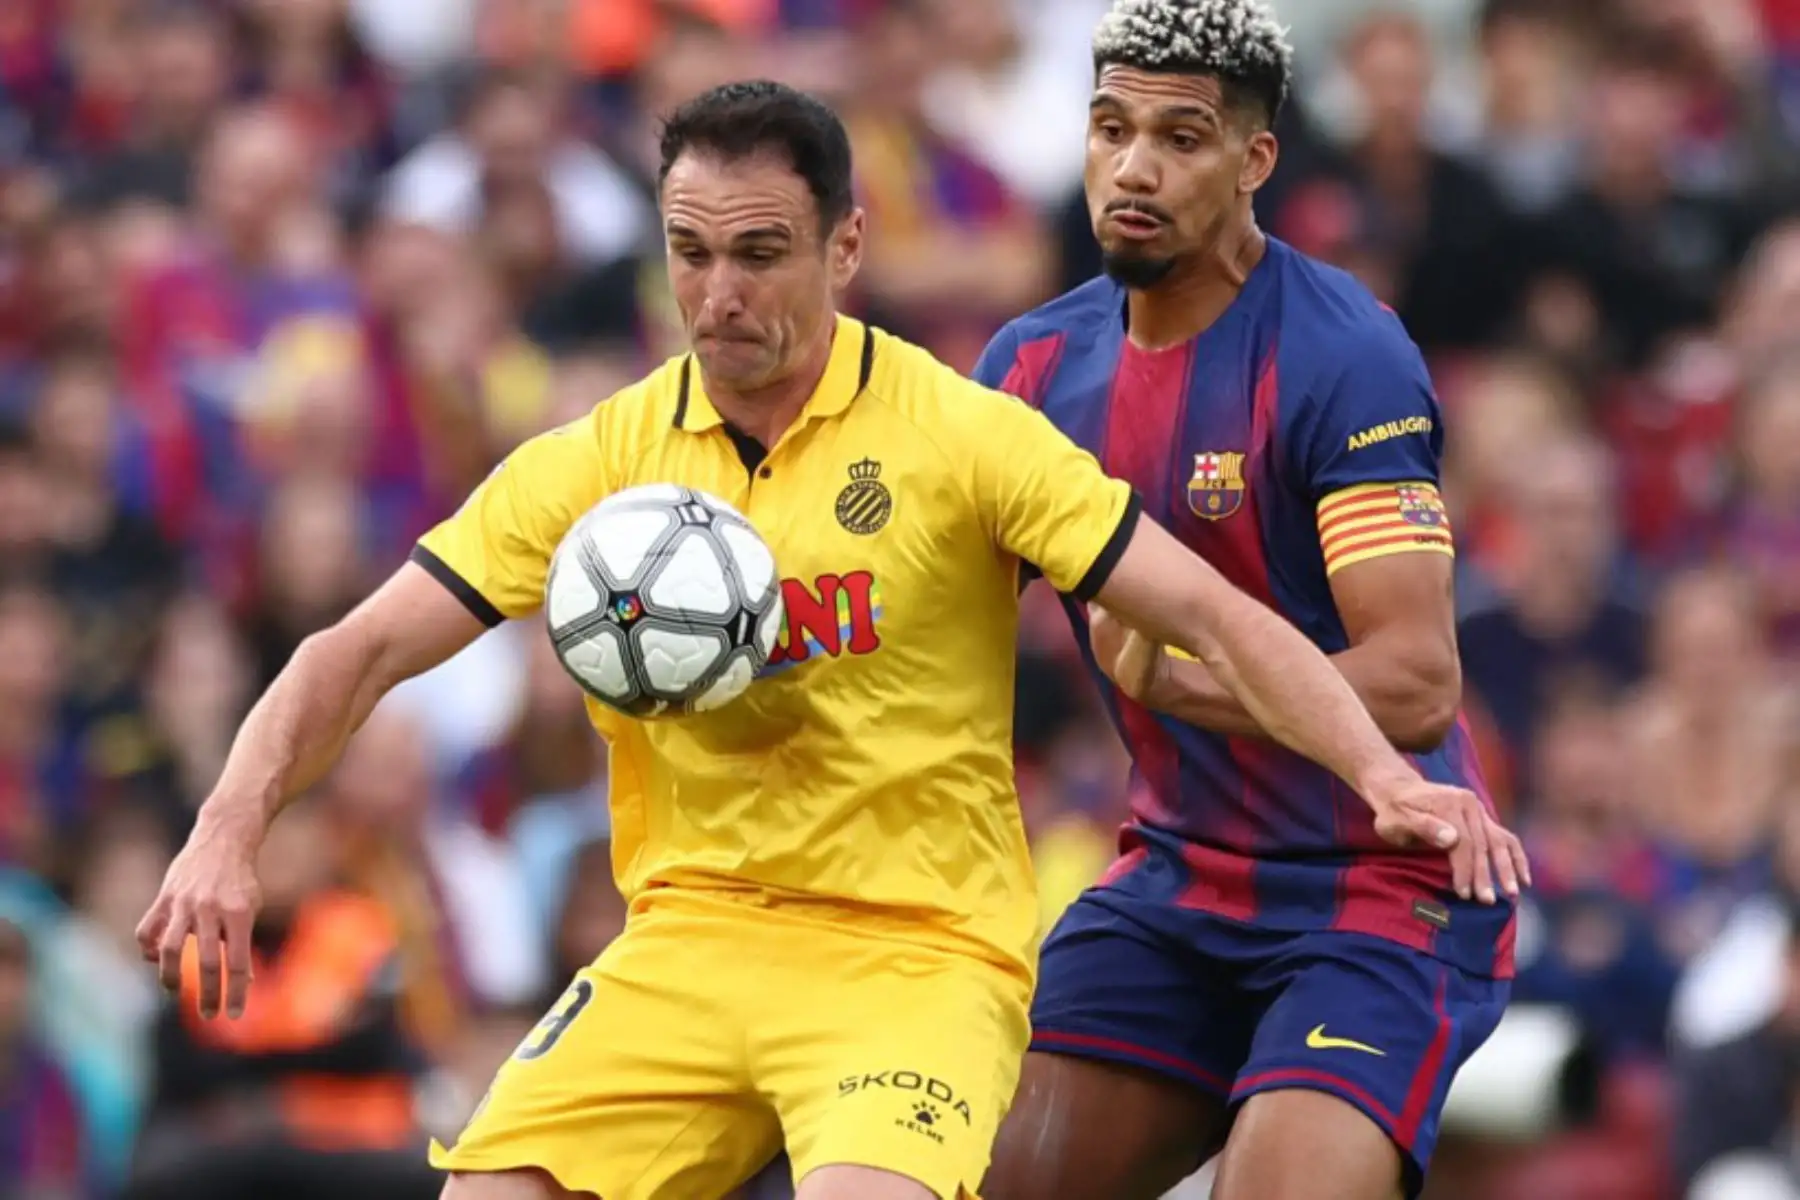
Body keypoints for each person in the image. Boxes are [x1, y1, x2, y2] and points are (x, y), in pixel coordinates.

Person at [136, 80, 1521, 1200]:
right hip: (684, 942)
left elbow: (1217, 616)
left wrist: (1385, 775)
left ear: (844, 249)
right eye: (689, 254)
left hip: (912, 960)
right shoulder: (602, 467)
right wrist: (226, 828)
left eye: (759, 253)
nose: (720, 296)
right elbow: (356, 650)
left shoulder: (968, 437)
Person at [972, 4, 1526, 1200]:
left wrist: (1184, 688)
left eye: (1179, 137)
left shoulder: (1343, 354)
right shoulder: (1029, 370)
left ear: (1254, 161)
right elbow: (930, 622)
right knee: (986, 1179)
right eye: (1111, 129)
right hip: (1175, 877)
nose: (1133, 167)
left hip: (1380, 891)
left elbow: (1420, 679)